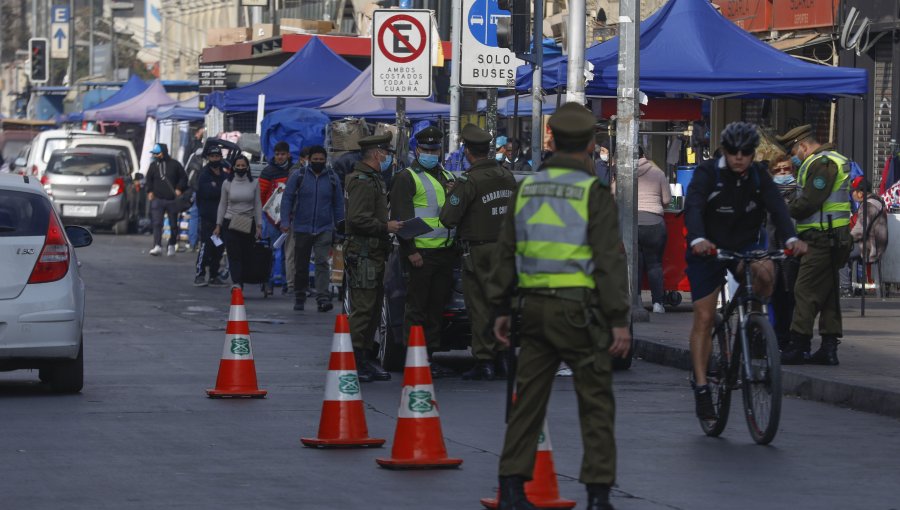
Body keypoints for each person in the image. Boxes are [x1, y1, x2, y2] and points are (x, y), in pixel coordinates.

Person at [487, 102, 631, 510]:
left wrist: (500, 307)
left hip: (532, 310)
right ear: (589, 143)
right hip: (579, 313)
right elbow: (608, 260)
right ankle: (598, 495)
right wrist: (619, 320)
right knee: (596, 403)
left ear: (552, 141)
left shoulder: (528, 187)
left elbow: (506, 252)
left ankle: (512, 488)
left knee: (527, 401)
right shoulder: (592, 193)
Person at [685, 122, 805, 420]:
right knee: (704, 316)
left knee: (766, 272)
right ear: (725, 151)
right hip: (708, 248)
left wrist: (791, 238)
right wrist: (698, 238)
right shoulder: (707, 173)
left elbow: (777, 207)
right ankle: (701, 387)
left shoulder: (758, 176)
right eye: (734, 152)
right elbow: (694, 207)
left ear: (753, 154)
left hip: (745, 246)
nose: (740, 157)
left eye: (746, 152)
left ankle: (753, 325)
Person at [439, 124, 517, 381]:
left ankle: (485, 361)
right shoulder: (506, 176)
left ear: (468, 152)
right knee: (502, 304)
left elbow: (448, 218)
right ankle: (504, 357)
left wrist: (453, 196)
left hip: (479, 252)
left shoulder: (469, 180)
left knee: (480, 307)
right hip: (506, 251)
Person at [776, 125, 853, 366]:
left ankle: (799, 345)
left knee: (804, 290)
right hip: (832, 237)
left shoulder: (822, 164)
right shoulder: (830, 160)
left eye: (794, 152)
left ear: (803, 146)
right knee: (829, 293)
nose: (793, 158)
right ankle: (829, 348)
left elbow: (809, 202)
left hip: (821, 239)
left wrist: (784, 209)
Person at [390, 126, 458, 378]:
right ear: (417, 150)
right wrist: (410, 251)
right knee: (416, 307)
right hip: (420, 254)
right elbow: (401, 218)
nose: (431, 153)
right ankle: (414, 358)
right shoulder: (407, 177)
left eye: (435, 149)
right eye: (426, 149)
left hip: (444, 253)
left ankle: (429, 357)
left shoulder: (447, 176)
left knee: (435, 308)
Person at [343, 133, 403, 382]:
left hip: (374, 253)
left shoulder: (373, 179)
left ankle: (365, 357)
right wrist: (384, 226)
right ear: (377, 154)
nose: (388, 158)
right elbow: (357, 219)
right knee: (364, 309)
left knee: (374, 309)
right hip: (364, 252)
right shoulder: (362, 181)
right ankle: (354, 361)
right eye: (386, 153)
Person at [280, 145, 344, 312]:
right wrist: (285, 221)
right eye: (315, 160)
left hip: (324, 228)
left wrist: (340, 225)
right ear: (308, 160)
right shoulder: (298, 176)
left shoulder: (332, 178)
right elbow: (287, 198)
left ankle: (322, 297)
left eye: (321, 160)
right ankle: (299, 295)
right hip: (302, 227)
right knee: (301, 264)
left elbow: (338, 204)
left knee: (322, 262)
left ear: (325, 160)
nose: (318, 162)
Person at [766, 155, 800, 348]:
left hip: (793, 251)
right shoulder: (768, 194)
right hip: (772, 249)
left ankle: (790, 336)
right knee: (775, 294)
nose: (783, 173)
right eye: (778, 170)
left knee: (791, 295)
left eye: (786, 169)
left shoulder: (799, 193)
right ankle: (777, 336)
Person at [214, 155, 262, 289]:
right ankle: (236, 283)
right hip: (230, 222)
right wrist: (218, 225)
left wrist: (259, 225)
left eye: (243, 165)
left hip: (248, 222)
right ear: (233, 167)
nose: (240, 168)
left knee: (246, 254)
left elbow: (258, 204)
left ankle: (241, 279)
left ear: (247, 167)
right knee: (233, 254)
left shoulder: (254, 183)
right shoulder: (227, 183)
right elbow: (222, 204)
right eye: (238, 166)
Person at [636, 146, 671, 314]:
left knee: (635, 264)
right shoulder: (658, 173)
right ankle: (658, 303)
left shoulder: (624, 173)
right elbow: (666, 199)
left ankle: (636, 301)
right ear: (645, 155)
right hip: (655, 224)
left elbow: (614, 195)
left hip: (632, 224)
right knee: (654, 264)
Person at [840, 177, 889, 294]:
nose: (852, 194)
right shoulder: (876, 201)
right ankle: (853, 287)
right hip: (873, 243)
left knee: (840, 252)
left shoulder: (869, 205)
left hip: (870, 247)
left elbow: (860, 228)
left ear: (861, 193)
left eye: (853, 192)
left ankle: (845, 287)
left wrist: (847, 240)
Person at [259, 141, 294, 293]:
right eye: (277, 154)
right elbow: (260, 195)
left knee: (289, 253)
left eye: (282, 154)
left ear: (288, 155)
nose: (280, 157)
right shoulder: (267, 171)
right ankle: (269, 282)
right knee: (271, 252)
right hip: (271, 218)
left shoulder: (293, 171)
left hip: (290, 218)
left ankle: (288, 284)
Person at [144, 143, 188, 257]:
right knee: (157, 223)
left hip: (172, 200)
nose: (155, 155)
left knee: (173, 224)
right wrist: (149, 191)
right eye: (154, 153)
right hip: (157, 199)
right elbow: (148, 179)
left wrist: (179, 188)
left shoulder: (175, 165)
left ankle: (172, 244)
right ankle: (157, 245)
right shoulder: (153, 166)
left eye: (157, 153)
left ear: (163, 153)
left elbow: (184, 177)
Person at [194, 146, 228, 286]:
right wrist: (218, 191)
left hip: (222, 219)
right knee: (206, 246)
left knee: (219, 247)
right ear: (208, 158)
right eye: (212, 156)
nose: (215, 159)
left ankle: (214, 275)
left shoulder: (224, 175)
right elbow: (207, 193)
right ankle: (200, 274)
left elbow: (227, 193)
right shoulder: (204, 175)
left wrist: (218, 189)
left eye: (217, 156)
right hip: (208, 218)